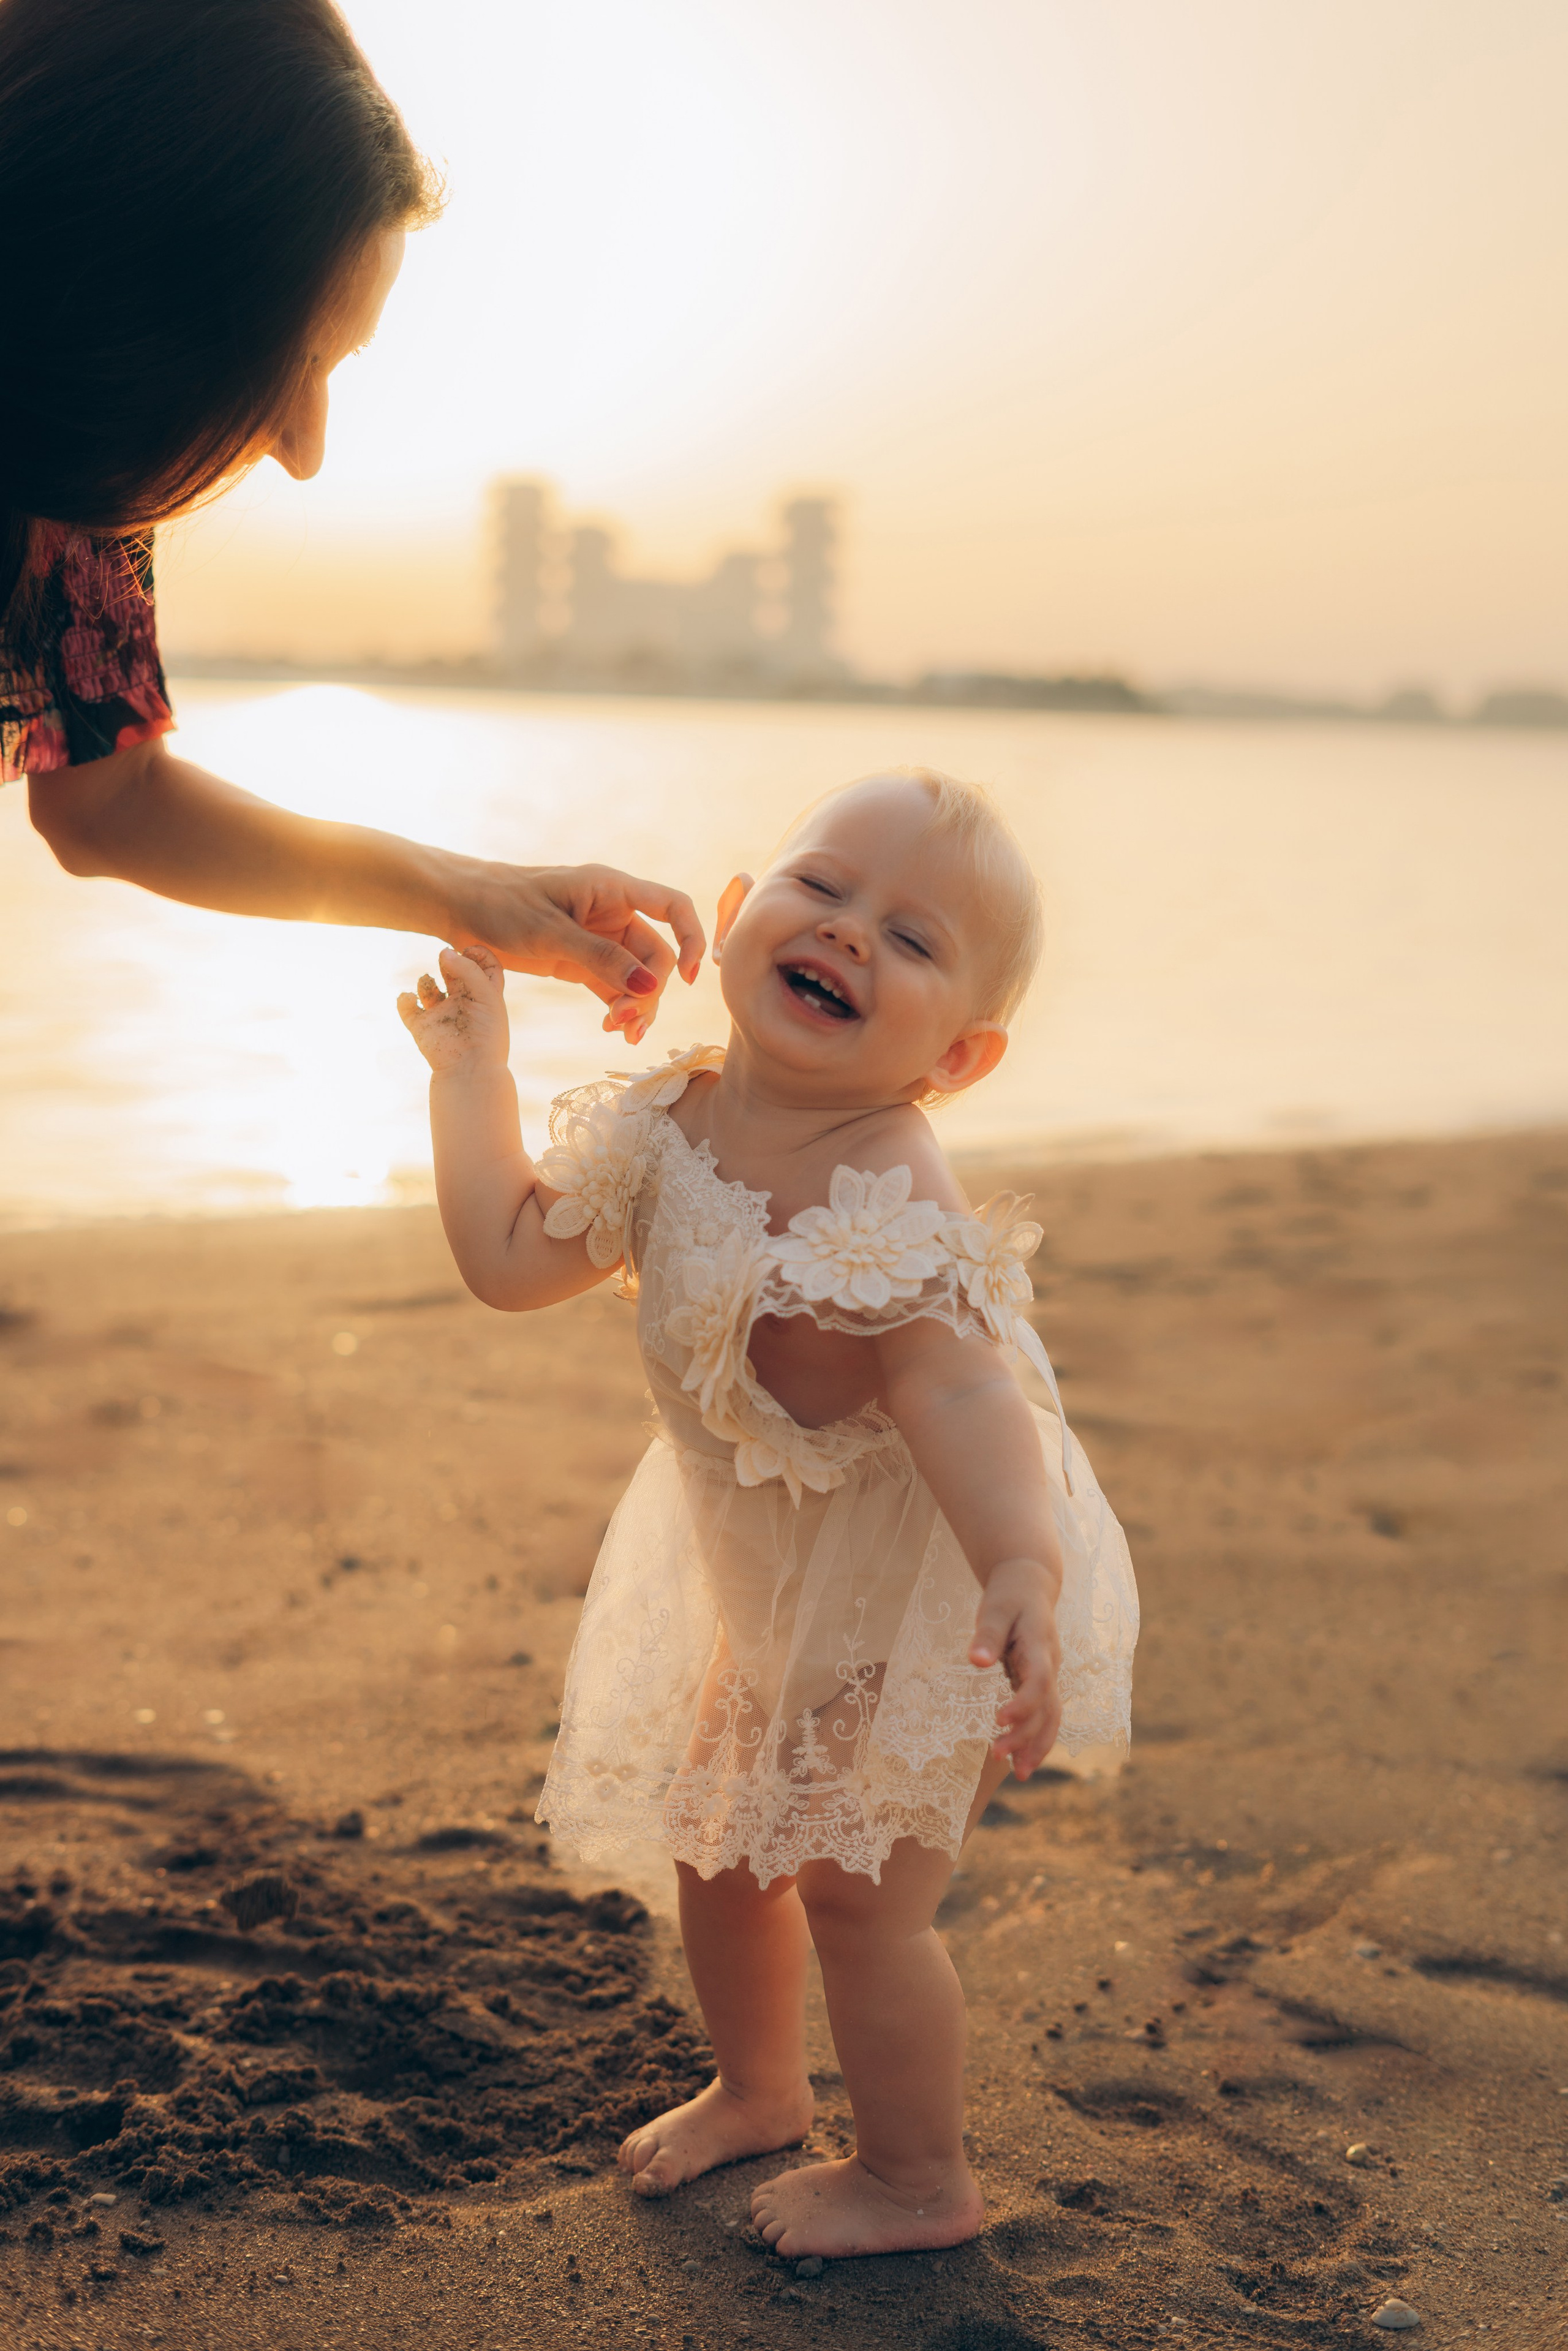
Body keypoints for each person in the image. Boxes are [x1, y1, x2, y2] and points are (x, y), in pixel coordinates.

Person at [398, 766, 1139, 2259]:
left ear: (959, 1054)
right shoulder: (666, 1119)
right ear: (736, 913)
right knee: (719, 1845)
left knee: (857, 1895)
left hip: (923, 1580)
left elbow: (961, 1389)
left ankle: (918, 2178)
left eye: (912, 940)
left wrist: (1019, 1561)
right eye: (822, 886)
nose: (849, 931)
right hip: (761, 1563)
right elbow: (510, 1255)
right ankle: (757, 2088)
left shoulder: (888, 1184)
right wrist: (471, 1072)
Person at [0, 0, 700, 1043]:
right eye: (293, 359)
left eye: (336, 365)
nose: (305, 447)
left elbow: (110, 803)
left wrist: (472, 894)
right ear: (129, 294)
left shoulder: (83, 480)